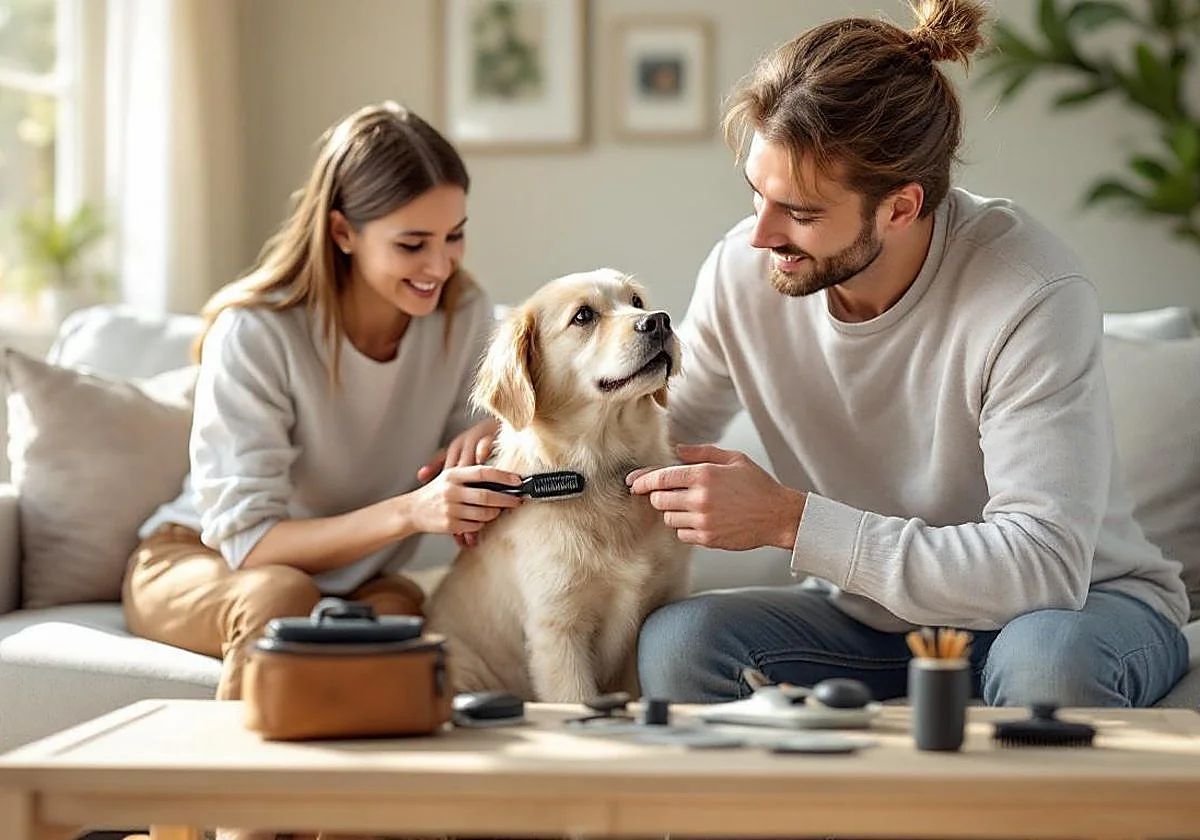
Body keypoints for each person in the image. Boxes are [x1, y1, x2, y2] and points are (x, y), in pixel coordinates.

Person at [628, 0, 1190, 708]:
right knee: (683, 642)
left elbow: (1043, 565)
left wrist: (789, 520)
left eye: (800, 213)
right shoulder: (744, 273)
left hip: (1073, 609)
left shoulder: (1028, 292)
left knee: (1045, 670)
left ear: (900, 207)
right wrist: (522, 456)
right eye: (757, 195)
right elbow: (653, 433)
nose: (761, 235)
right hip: (880, 621)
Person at [123, 101, 524, 715]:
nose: (440, 265)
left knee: (402, 621)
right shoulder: (257, 332)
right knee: (280, 598)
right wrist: (412, 511)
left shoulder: (462, 314)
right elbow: (249, 543)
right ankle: (242, 782)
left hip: (359, 579)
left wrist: (491, 431)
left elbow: (469, 448)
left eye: (455, 235)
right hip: (199, 559)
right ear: (343, 233)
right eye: (412, 244)